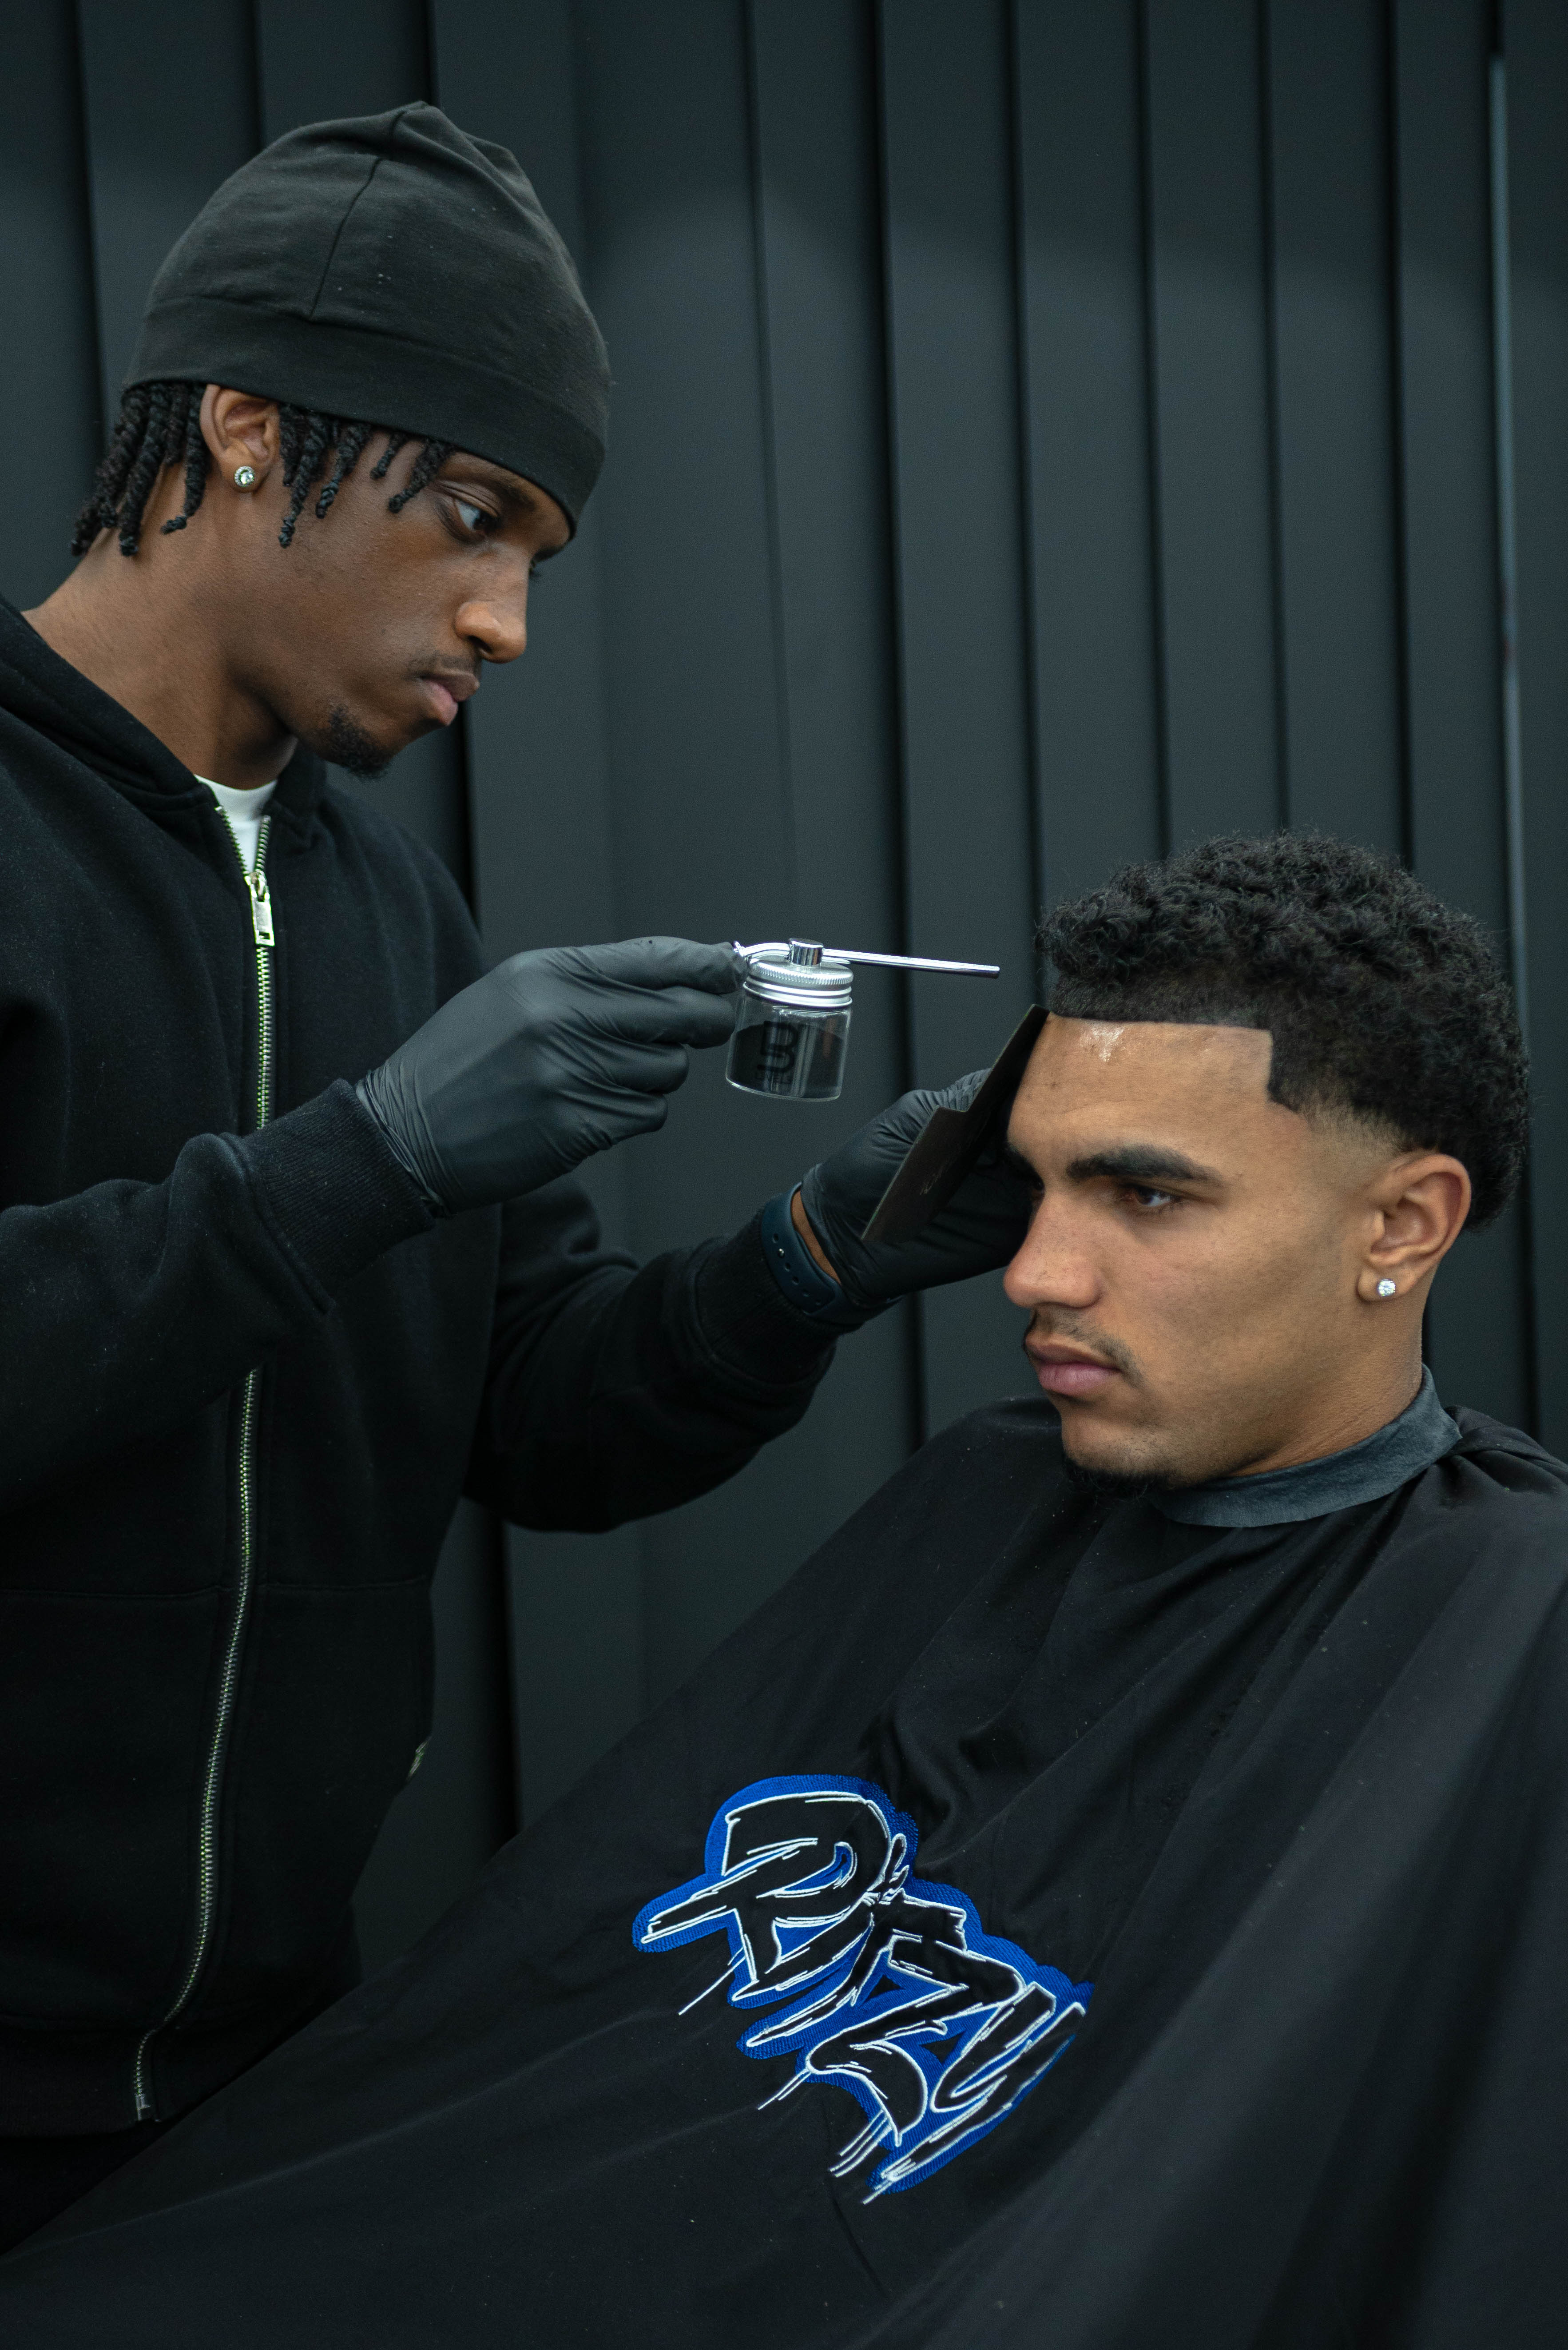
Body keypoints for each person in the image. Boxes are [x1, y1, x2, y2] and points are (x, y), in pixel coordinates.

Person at [4, 830, 1568, 2350]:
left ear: (1402, 1223)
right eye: (1031, 1188)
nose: (1034, 1271)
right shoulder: (991, 1491)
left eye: (1146, 1194)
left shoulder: (1528, 1624)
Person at [0, 103, 1028, 2244]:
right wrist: (358, 1161)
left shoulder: (395, 916)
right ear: (251, 429)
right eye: (472, 518)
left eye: (537, 557)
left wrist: (810, 1255)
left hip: (250, 2078)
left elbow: (530, 1421)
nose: (507, 621)